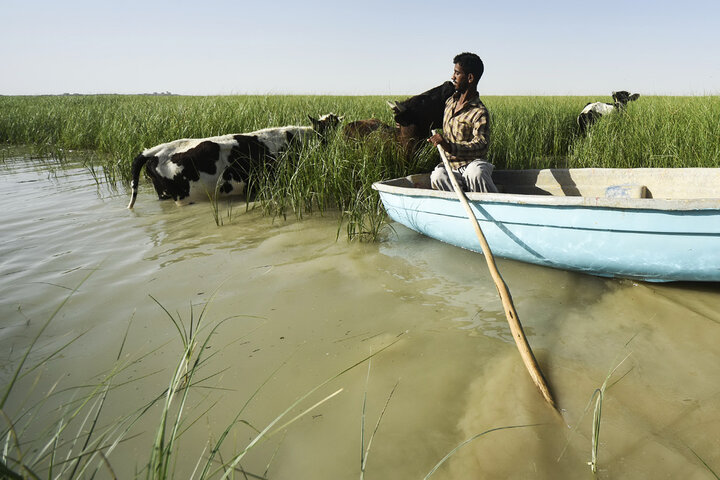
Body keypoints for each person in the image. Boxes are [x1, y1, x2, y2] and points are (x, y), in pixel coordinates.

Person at [427, 52, 498, 193]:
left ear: (470, 78)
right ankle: (460, 211)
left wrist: (449, 146)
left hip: (471, 165)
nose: (453, 77)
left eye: (457, 73)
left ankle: (493, 209)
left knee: (475, 173)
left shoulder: (479, 112)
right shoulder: (450, 103)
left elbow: (481, 145)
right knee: (438, 176)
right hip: (451, 166)